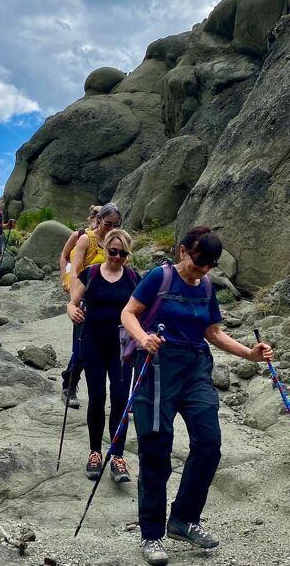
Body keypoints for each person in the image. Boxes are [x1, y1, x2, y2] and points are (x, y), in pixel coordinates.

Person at [121, 226, 274, 566]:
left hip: (195, 370)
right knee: (156, 448)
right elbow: (128, 313)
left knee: (209, 443)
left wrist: (250, 354)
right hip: (157, 367)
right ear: (183, 252)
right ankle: (152, 534)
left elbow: (214, 333)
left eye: (210, 264)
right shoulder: (158, 279)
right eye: (198, 261)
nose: (203, 269)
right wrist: (144, 338)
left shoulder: (205, 286)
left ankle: (183, 520)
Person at [67, 228, 139, 483]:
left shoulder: (133, 278)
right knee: (97, 398)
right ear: (106, 248)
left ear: (127, 254)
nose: (117, 257)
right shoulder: (92, 273)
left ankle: (117, 456)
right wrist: (72, 311)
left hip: (121, 347)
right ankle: (95, 452)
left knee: (121, 399)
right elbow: (73, 302)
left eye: (122, 253)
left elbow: (142, 310)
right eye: (113, 251)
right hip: (93, 343)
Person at [61, 202, 122, 409]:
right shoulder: (86, 239)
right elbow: (76, 269)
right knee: (81, 346)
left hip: (110, 301)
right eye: (108, 223)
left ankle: (119, 395)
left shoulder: (117, 241)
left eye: (115, 224)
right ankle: (69, 385)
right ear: (99, 220)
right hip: (87, 299)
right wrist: (74, 299)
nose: (111, 228)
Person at [59, 205, 101, 292]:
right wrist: (64, 279)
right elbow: (64, 256)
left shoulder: (107, 238)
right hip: (75, 278)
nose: (96, 224)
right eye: (95, 218)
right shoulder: (78, 235)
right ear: (90, 218)